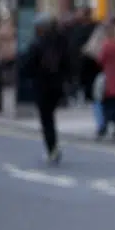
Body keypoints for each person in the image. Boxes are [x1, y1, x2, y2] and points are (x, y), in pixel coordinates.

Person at [19, 19, 70, 163]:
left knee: (46, 118)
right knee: (50, 116)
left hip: (42, 85)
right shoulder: (61, 43)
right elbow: (69, 63)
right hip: (57, 85)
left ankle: (52, 149)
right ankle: (53, 147)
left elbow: (27, 65)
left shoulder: (37, 44)